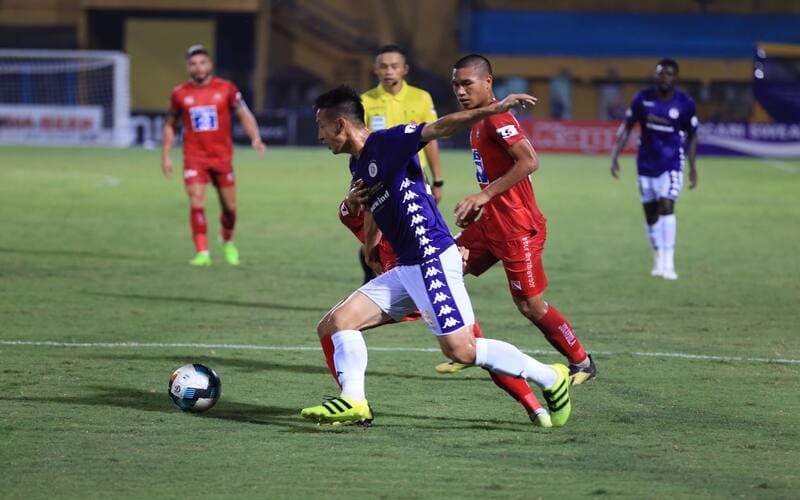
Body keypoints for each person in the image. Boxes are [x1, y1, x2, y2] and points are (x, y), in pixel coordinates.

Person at [301, 85, 572, 427]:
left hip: (430, 258)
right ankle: (354, 401)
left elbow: (441, 127)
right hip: (407, 267)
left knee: (461, 350)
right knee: (336, 324)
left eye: (321, 126)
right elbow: (374, 206)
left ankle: (550, 376)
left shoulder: (389, 142)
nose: (319, 136)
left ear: (340, 124)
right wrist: (370, 246)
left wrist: (493, 109)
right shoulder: (358, 163)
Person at [434, 55, 597, 385]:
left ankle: (582, 362)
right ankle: (468, 349)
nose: (461, 91)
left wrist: (484, 196)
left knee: (530, 307)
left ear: (487, 82)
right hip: (491, 223)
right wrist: (483, 203)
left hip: (517, 228)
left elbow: (529, 161)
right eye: (456, 85)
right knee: (443, 270)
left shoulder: (497, 119)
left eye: (467, 84)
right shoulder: (481, 118)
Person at [335, 192, 552, 427]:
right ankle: (352, 400)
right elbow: (352, 214)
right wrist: (356, 209)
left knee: (470, 348)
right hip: (398, 290)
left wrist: (450, 255)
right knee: (336, 324)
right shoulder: (369, 209)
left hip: (426, 281)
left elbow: (427, 228)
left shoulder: (402, 204)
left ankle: (538, 400)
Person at [161, 44, 266, 267]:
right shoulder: (179, 94)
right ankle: (203, 252)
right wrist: (166, 155)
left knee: (230, 209)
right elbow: (170, 124)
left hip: (221, 158)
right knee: (196, 201)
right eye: (193, 64)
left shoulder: (226, 89)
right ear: (187, 68)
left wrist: (255, 137)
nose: (198, 67)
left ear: (210, 64)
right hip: (194, 157)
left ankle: (226, 241)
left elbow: (244, 115)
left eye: (202, 62)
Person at [357, 44, 444, 283]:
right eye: (384, 66)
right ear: (375, 69)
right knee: (374, 234)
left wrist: (438, 180)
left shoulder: (421, 97)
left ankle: (417, 280)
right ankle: (372, 278)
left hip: (414, 176)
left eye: (394, 66)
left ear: (405, 69)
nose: (389, 71)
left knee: (419, 230)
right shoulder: (365, 101)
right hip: (379, 178)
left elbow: (431, 140)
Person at [610, 58, 698, 280]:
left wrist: (693, 167)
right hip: (646, 165)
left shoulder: (685, 103)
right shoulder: (642, 98)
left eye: (668, 74)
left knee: (667, 205)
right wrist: (615, 155)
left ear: (675, 77)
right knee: (651, 216)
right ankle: (658, 256)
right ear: (655, 76)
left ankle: (669, 263)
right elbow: (627, 126)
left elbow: (692, 135)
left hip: (671, 164)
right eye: (660, 73)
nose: (664, 77)